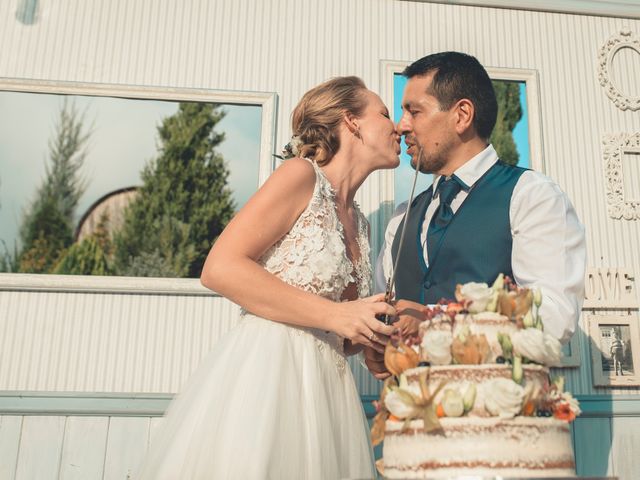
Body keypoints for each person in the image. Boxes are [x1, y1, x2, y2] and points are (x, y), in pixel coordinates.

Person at [136, 76, 400, 480]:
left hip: (328, 393)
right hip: (269, 379)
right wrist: (336, 317)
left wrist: (363, 339)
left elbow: (337, 325)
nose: (397, 126)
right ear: (351, 122)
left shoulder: (362, 225)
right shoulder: (301, 177)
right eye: (384, 113)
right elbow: (220, 267)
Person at [366, 51, 586, 378]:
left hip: (500, 421)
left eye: (414, 111)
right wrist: (378, 344)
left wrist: (432, 321)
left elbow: (554, 319)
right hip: (407, 418)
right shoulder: (401, 217)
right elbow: (388, 309)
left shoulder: (531, 195)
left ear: (462, 115)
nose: (402, 126)